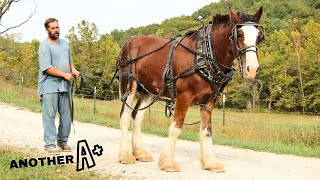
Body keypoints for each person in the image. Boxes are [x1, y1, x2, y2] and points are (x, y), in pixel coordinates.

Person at [38, 18, 80, 154]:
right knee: (49, 115)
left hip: (65, 85)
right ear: (47, 30)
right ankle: (50, 144)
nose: (56, 30)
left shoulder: (64, 44)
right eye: (53, 28)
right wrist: (64, 74)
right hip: (49, 86)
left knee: (66, 115)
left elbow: (69, 61)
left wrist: (73, 70)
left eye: (57, 27)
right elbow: (47, 68)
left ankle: (62, 141)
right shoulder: (44, 46)